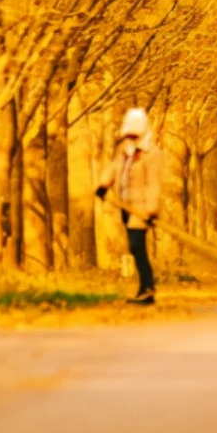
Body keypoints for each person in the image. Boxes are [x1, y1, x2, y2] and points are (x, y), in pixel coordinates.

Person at [96, 107, 164, 304]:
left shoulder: (151, 155)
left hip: (141, 209)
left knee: (136, 246)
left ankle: (148, 289)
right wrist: (103, 185)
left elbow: (154, 184)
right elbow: (114, 169)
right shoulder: (125, 152)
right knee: (135, 248)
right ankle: (145, 288)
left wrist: (150, 210)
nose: (131, 138)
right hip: (126, 207)